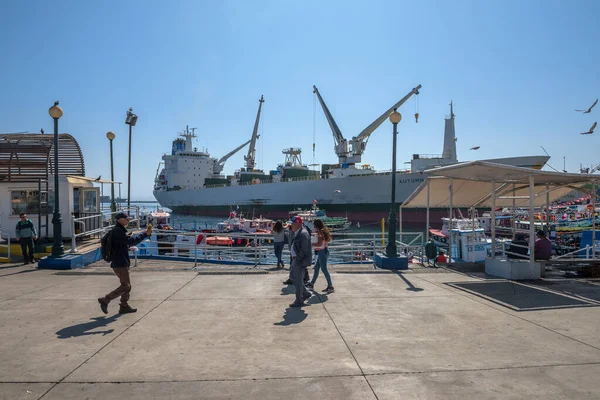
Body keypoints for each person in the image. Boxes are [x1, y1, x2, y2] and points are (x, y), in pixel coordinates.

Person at [98, 212, 152, 314]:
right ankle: (106, 299)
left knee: (127, 286)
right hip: (120, 263)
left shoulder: (117, 231)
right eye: (126, 219)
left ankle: (124, 306)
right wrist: (145, 234)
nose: (128, 221)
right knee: (126, 286)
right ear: (120, 220)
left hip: (120, 262)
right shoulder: (118, 231)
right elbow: (132, 241)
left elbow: (122, 244)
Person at [288, 216, 312, 307]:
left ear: (297, 224)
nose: (291, 225)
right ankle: (305, 293)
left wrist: (297, 258)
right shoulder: (297, 232)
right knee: (293, 278)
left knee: (298, 280)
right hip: (296, 259)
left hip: (299, 261)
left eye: (292, 223)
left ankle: (299, 300)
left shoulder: (303, 234)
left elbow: (304, 249)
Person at [306, 219, 334, 293]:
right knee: (316, 268)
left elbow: (319, 244)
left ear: (316, 225)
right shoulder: (323, 231)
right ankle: (311, 284)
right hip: (323, 251)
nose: (313, 226)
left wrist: (311, 244)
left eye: (314, 224)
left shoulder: (320, 232)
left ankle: (330, 286)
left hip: (322, 252)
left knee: (324, 269)